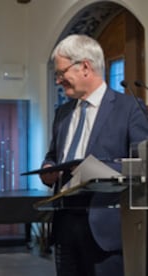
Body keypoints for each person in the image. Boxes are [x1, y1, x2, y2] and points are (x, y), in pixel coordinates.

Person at [39, 34, 148, 276]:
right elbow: (53, 155)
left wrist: (95, 171)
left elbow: (143, 166)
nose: (58, 80)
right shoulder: (63, 112)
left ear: (85, 67)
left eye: (61, 73)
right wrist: (49, 167)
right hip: (65, 226)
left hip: (106, 229)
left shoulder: (130, 109)